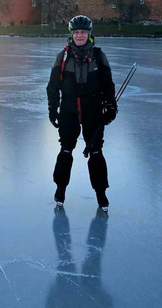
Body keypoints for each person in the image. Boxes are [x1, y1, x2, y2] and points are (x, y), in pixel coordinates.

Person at [46, 15, 117, 212]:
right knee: (66, 150)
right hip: (68, 110)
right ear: (71, 34)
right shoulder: (63, 57)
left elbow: (108, 85)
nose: (79, 35)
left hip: (92, 111)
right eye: (76, 32)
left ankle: (101, 194)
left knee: (95, 152)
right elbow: (53, 86)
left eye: (83, 32)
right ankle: (60, 190)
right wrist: (53, 108)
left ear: (89, 34)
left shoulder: (99, 56)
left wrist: (110, 107)